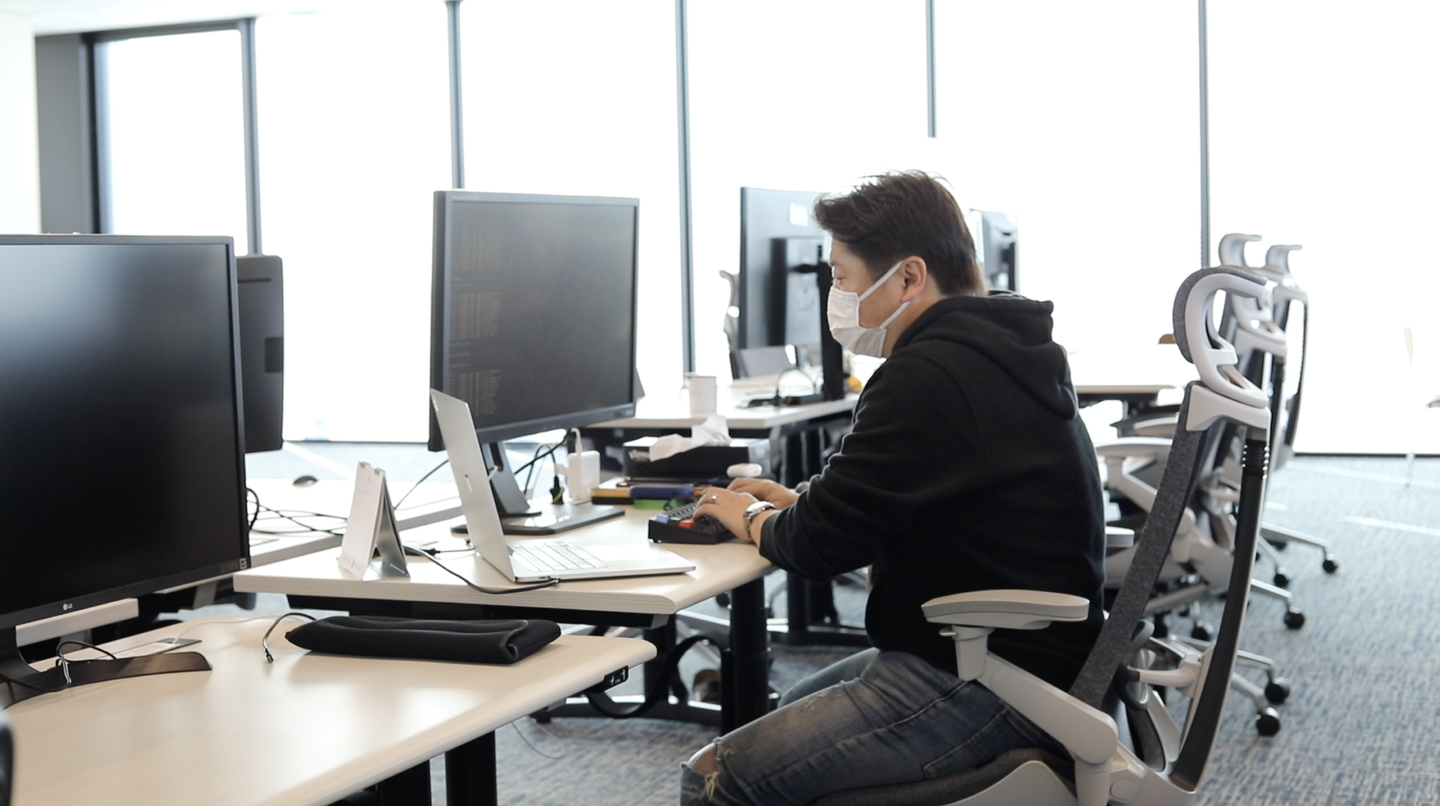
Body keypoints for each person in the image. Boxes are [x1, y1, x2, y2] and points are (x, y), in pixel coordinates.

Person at [681, 171, 1106, 806]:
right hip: (1025, 661)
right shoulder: (996, 348)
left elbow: (819, 548)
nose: (836, 295)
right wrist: (798, 504)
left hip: (987, 677)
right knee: (785, 712)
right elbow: (902, 498)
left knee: (717, 776)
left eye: (841, 276)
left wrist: (749, 517)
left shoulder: (928, 372)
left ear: (909, 277)